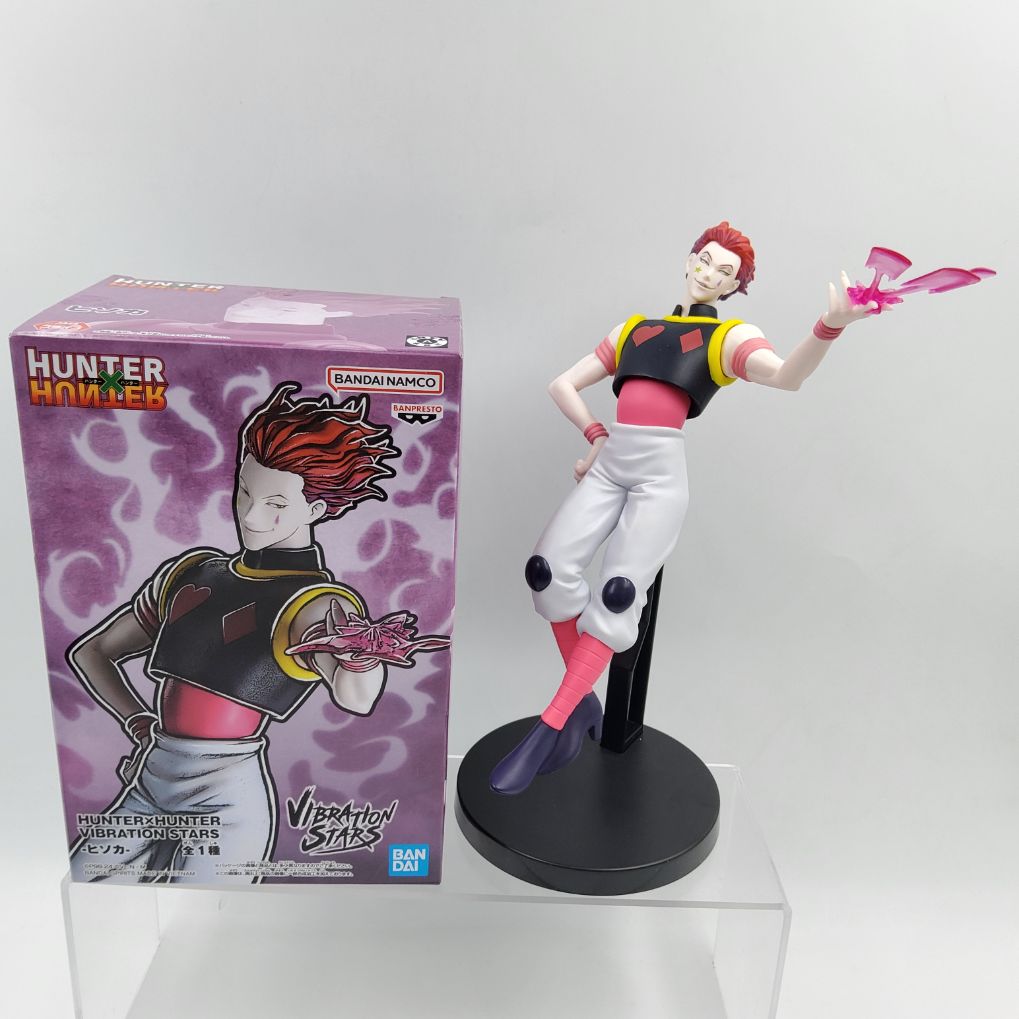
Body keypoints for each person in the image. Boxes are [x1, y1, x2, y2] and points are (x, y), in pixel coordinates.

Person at [491, 221, 877, 794]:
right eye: (706, 259)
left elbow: (786, 378)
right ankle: (583, 704)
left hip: (659, 474)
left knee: (618, 594)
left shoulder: (727, 338)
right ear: (690, 258)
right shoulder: (634, 329)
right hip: (612, 461)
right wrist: (596, 434)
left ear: (734, 287)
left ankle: (549, 728)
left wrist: (829, 327)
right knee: (545, 572)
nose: (710, 274)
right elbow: (562, 385)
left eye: (726, 272)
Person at [68, 382, 449, 881]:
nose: (250, 514)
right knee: (89, 881)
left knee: (211, 915)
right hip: (149, 779)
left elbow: (355, 699)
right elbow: (93, 652)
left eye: (275, 504)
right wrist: (138, 723)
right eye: (245, 491)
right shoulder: (192, 573)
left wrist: (358, 658)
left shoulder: (316, 603)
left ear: (315, 510)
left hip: (226, 797)